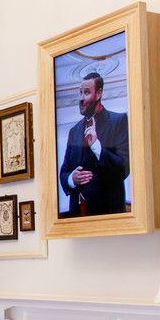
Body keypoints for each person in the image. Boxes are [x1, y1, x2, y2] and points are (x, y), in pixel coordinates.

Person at [57, 72, 130, 216]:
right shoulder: (74, 131)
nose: (81, 98)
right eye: (80, 93)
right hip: (77, 216)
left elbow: (124, 168)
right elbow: (64, 172)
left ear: (98, 94)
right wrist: (71, 179)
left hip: (108, 215)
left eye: (86, 93)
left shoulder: (119, 121)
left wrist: (97, 146)